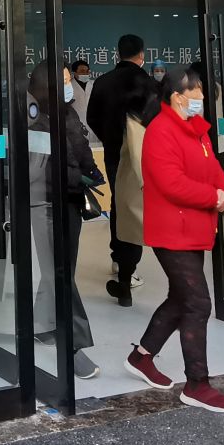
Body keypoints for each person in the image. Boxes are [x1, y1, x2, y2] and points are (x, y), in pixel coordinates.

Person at [125, 64, 224, 412]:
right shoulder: (161, 131)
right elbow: (170, 183)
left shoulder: (197, 130)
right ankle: (197, 384)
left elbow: (215, 170)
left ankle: (141, 356)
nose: (202, 96)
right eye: (196, 90)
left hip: (195, 228)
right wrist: (212, 197)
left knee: (181, 297)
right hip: (171, 232)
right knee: (198, 303)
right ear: (177, 96)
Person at [29, 64, 102, 379]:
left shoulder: (67, 112)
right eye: (63, 81)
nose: (69, 86)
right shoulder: (33, 120)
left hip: (71, 201)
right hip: (46, 203)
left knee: (62, 269)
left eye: (70, 80)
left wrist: (92, 172)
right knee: (59, 273)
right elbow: (44, 170)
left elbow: (81, 148)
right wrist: (78, 178)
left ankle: (40, 324)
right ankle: (73, 345)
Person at [87, 34, 153, 302]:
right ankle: (129, 268)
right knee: (135, 206)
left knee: (119, 203)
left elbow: (92, 118)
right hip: (142, 156)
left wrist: (109, 138)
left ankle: (118, 257)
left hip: (114, 153)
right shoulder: (148, 83)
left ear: (117, 54)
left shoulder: (103, 82)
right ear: (142, 55)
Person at [106, 71, 159, 308]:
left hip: (133, 185)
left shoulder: (131, 116)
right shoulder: (148, 116)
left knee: (130, 239)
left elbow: (136, 154)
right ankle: (125, 287)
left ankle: (124, 287)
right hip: (147, 184)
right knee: (146, 237)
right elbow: (139, 154)